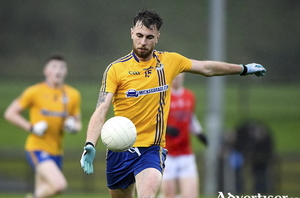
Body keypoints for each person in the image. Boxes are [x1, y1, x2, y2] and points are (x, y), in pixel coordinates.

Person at [80, 9, 266, 198]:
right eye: (139, 35)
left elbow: (206, 67)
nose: (143, 42)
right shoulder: (115, 69)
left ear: (157, 37)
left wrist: (243, 69)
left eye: (149, 37)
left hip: (151, 149)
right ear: (131, 33)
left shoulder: (169, 61)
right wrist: (90, 143)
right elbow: (101, 109)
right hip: (119, 150)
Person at [4, 54, 82, 198]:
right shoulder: (34, 92)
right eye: (54, 67)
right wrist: (31, 127)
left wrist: (72, 127)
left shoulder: (73, 94)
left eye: (61, 67)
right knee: (59, 185)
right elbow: (10, 113)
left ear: (66, 72)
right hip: (37, 148)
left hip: (57, 152)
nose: (58, 71)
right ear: (46, 71)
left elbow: (78, 124)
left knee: (45, 191)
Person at [160, 73, 208, 198]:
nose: (177, 80)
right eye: (174, 77)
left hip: (185, 153)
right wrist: (166, 129)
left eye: (179, 77)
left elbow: (191, 118)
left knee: (191, 195)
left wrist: (200, 134)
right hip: (167, 154)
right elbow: (154, 121)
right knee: (168, 194)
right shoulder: (163, 96)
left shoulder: (190, 96)